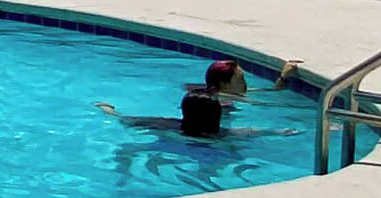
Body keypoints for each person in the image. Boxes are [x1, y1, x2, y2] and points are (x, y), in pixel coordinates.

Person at [97, 59, 296, 139]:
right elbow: (256, 130)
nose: (246, 84)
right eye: (241, 79)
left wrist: (107, 109)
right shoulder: (225, 112)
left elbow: (128, 119)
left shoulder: (172, 122)